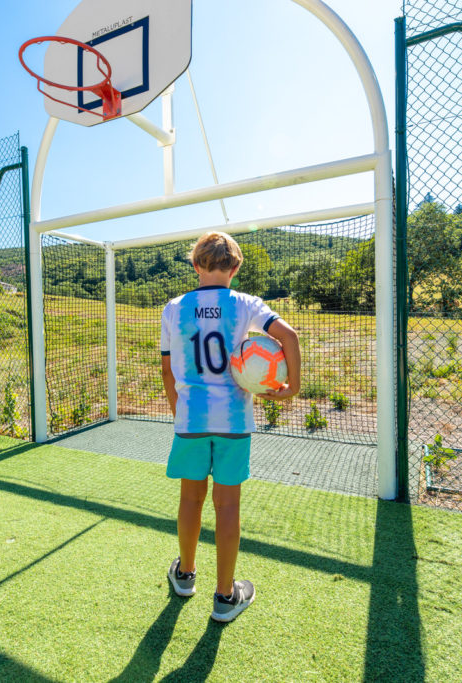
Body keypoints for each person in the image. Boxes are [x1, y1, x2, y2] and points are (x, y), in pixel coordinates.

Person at [160, 231, 301, 622]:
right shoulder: (245, 304)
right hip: (234, 420)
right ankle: (225, 596)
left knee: (190, 499)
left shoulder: (174, 307)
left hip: (191, 418)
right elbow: (288, 335)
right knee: (228, 505)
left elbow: (168, 369)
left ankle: (185, 575)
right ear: (235, 268)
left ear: (195, 265)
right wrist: (295, 387)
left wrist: (180, 411)